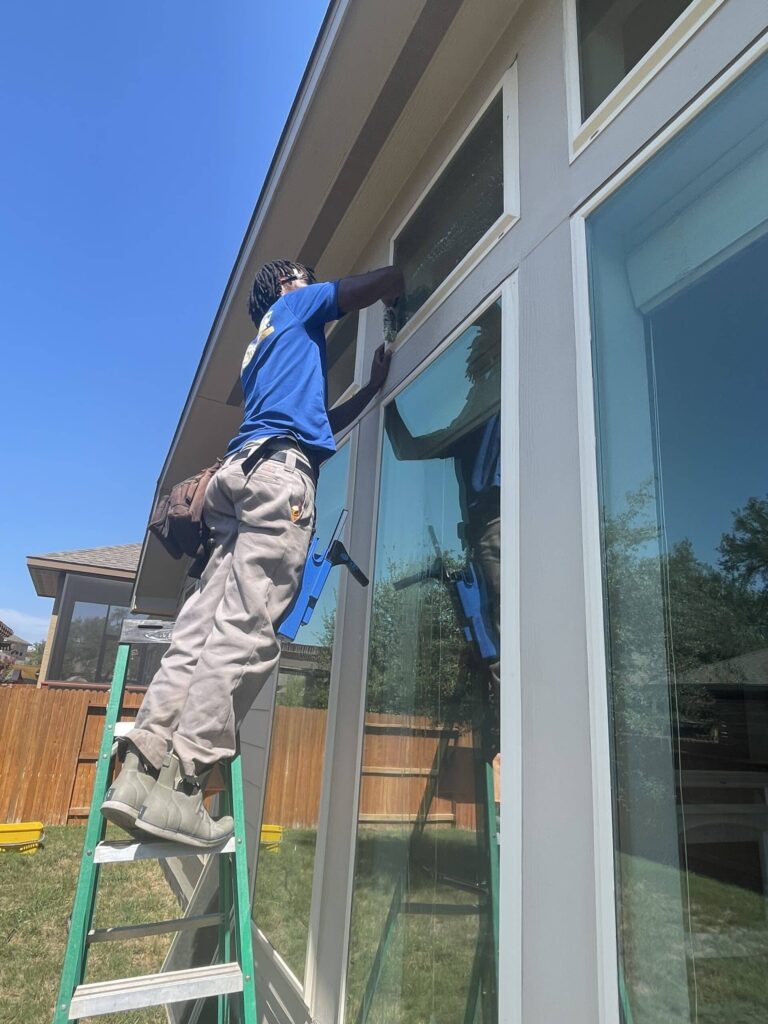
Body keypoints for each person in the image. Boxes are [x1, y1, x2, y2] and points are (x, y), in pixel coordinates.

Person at [102, 260, 404, 847]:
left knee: (197, 629)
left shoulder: (259, 345)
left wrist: (369, 389)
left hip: (239, 476)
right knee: (245, 629)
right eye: (307, 276)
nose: (315, 282)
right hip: (275, 478)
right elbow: (366, 287)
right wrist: (399, 285)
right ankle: (186, 786)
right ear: (290, 283)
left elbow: (314, 430)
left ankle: (138, 774)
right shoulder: (294, 307)